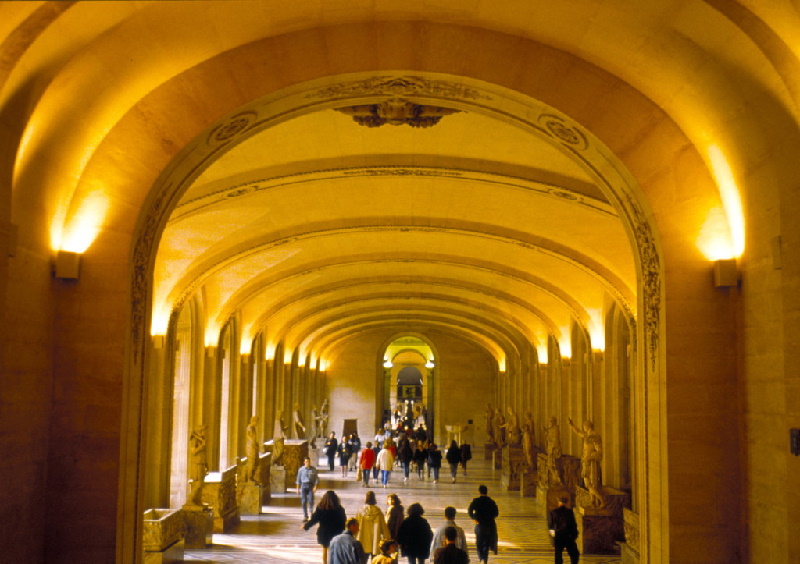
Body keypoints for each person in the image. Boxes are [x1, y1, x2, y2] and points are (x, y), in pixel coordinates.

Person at [567, 418, 604, 507]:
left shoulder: (594, 436)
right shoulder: (587, 436)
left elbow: (599, 451)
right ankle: (593, 502)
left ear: (587, 426)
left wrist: (590, 457)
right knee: (588, 483)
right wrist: (572, 425)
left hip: (591, 463)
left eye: (584, 426)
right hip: (586, 462)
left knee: (590, 483)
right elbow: (578, 432)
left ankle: (601, 500)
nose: (583, 428)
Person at [303, 490, 347, 564]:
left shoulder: (321, 508)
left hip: (324, 533)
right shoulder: (339, 509)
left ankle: (325, 563)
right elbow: (343, 520)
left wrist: (306, 526)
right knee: (333, 550)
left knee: (324, 549)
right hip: (336, 532)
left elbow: (314, 519)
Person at [468, 485, 499, 564]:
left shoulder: (476, 501)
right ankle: (484, 559)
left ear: (479, 492)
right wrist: (490, 518)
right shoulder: (491, 502)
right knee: (487, 543)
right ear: (486, 492)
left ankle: (481, 558)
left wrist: (474, 518)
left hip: (480, 525)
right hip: (489, 525)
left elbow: (469, 511)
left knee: (479, 542)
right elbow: (496, 513)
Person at [355, 490, 391, 558]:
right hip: (375, 542)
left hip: (362, 541)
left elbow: (355, 525)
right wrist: (387, 538)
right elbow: (384, 528)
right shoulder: (378, 512)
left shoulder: (360, 512)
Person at [547, 497, 580, 564]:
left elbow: (550, 526)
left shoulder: (553, 512)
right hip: (568, 536)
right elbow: (573, 525)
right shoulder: (570, 512)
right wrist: (574, 536)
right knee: (574, 554)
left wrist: (553, 537)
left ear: (558, 502)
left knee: (558, 554)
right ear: (566, 503)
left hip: (558, 535)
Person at [296, 456, 319, 521]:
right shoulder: (300, 470)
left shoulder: (313, 469)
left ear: (310, 462)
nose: (307, 463)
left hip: (310, 486)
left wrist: (315, 487)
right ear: (304, 462)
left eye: (308, 462)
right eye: (306, 462)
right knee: (303, 501)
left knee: (311, 501)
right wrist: (297, 489)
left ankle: (311, 514)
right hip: (303, 486)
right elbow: (298, 480)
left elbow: (316, 479)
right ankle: (305, 515)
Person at [245, 415, 260, 483]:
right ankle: (249, 478)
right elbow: (251, 438)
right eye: (257, 422)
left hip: (254, 446)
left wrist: (256, 444)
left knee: (256, 462)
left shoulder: (253, 428)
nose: (257, 424)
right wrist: (255, 443)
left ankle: (252, 477)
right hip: (250, 447)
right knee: (252, 462)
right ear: (254, 421)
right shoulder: (250, 428)